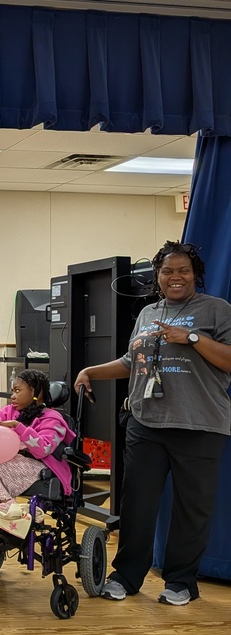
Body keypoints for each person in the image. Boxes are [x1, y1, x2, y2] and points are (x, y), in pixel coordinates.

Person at [75, 241, 231, 606]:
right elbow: (132, 362)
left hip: (200, 424)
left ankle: (181, 582)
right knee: (137, 505)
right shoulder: (148, 313)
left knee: (191, 509)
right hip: (146, 422)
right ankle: (126, 576)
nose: (175, 277)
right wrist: (91, 371)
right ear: (157, 277)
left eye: (183, 271)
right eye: (167, 271)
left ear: (196, 275)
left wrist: (192, 338)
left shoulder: (217, 310)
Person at [0, 369, 75, 511]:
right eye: (12, 391)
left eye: (17, 391)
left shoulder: (52, 419)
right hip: (8, 461)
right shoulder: (7, 412)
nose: (13, 396)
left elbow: (43, 450)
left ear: (34, 392)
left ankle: (12, 508)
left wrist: (18, 427)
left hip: (37, 463)